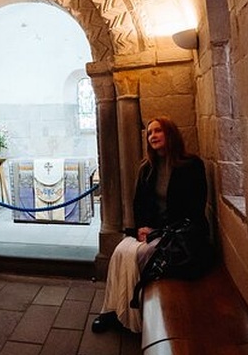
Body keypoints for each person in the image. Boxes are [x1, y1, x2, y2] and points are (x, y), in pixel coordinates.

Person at [91, 116, 209, 333]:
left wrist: (157, 231)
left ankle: (134, 318)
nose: (153, 136)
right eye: (149, 133)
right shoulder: (147, 167)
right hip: (153, 231)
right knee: (119, 252)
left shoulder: (191, 165)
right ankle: (112, 310)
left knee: (137, 255)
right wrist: (142, 228)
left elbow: (194, 210)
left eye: (158, 131)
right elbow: (140, 204)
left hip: (181, 235)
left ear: (170, 134)